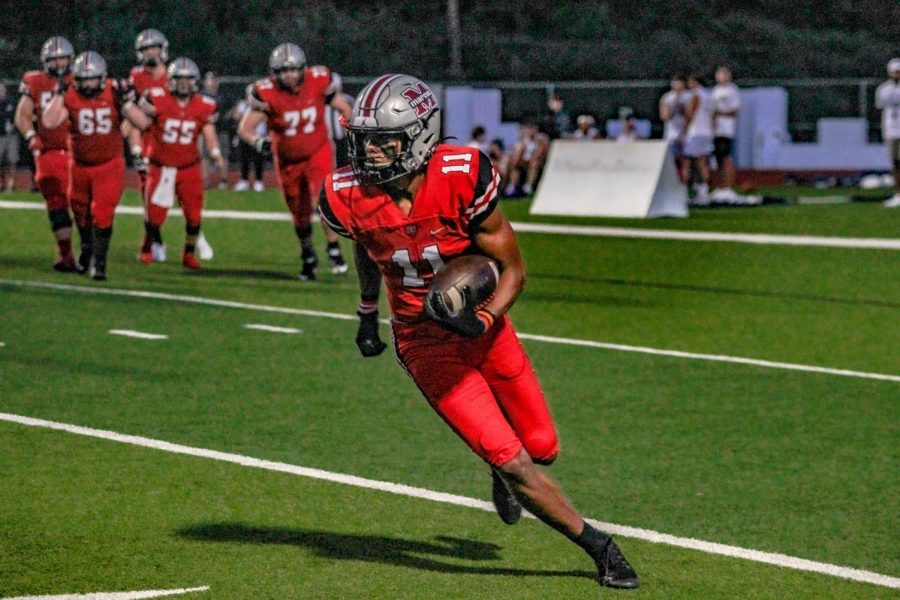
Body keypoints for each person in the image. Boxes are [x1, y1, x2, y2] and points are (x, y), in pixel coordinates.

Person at [319, 74, 639, 590]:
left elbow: (513, 269)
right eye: (365, 139)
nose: (369, 152)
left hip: (486, 327)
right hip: (424, 345)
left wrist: (482, 318)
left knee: (543, 445)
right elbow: (366, 242)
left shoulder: (462, 174)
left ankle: (501, 468)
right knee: (514, 462)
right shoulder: (346, 194)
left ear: (420, 137)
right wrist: (364, 310)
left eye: (383, 140)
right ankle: (600, 547)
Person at [238, 42, 353, 280]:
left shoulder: (318, 81)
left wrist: (356, 130)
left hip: (317, 152)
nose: (289, 75)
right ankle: (308, 253)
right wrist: (259, 141)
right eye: (282, 71)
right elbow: (245, 128)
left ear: (303, 68)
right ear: (274, 73)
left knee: (324, 199)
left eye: (293, 70)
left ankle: (333, 247)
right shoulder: (267, 93)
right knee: (299, 214)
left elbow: (342, 106)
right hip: (288, 161)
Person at [123, 57, 225, 271]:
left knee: (194, 214)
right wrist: (138, 148)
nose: (183, 84)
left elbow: (208, 132)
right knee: (155, 213)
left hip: (189, 167)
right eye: (179, 79)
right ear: (171, 80)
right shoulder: (157, 99)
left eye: (188, 80)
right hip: (161, 166)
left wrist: (215, 152)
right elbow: (140, 124)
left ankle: (188, 255)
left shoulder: (203, 105)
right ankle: (147, 247)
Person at [43, 51, 128, 281]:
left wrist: (132, 103)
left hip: (108, 163)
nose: (88, 84)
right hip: (79, 165)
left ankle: (99, 265)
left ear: (102, 77)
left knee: (102, 212)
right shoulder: (69, 94)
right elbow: (49, 122)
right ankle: (87, 249)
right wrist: (59, 93)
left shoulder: (114, 91)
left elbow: (139, 120)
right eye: (83, 79)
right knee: (80, 211)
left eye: (92, 78)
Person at [15, 36, 82, 272]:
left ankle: (89, 250)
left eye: (63, 58)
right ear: (45, 61)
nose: (59, 63)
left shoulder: (81, 80)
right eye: (54, 59)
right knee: (56, 201)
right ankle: (66, 254)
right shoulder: (35, 81)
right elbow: (22, 114)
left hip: (79, 152)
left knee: (83, 204)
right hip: (49, 151)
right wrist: (31, 136)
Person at [128, 29, 170, 262]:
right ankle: (151, 243)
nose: (150, 52)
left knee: (166, 197)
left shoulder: (175, 75)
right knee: (149, 196)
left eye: (153, 47)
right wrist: (135, 148)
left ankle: (190, 238)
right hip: (146, 140)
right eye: (145, 49)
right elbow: (131, 116)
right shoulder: (136, 77)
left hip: (172, 140)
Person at [710, 67, 742, 202]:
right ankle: (721, 187)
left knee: (727, 157)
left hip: (726, 129)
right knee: (718, 159)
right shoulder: (715, 90)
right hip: (716, 130)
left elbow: (735, 110)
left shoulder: (732, 90)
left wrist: (720, 113)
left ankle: (728, 187)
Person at [683, 74, 714, 206]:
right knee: (703, 162)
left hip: (696, 132)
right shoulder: (709, 95)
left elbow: (690, 112)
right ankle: (703, 191)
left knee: (691, 162)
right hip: (707, 131)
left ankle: (695, 191)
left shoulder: (696, 94)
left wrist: (684, 129)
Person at [230, 85, 267, 191]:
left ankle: (259, 181)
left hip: (259, 136)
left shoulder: (263, 106)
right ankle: (244, 181)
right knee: (244, 159)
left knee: (258, 160)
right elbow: (235, 116)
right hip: (245, 136)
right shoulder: (243, 105)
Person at [876, 58, 900, 208]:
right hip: (891, 131)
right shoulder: (884, 89)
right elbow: (880, 106)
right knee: (895, 164)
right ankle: (898, 194)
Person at [199, 71, 229, 190]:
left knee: (223, 154)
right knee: (204, 155)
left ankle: (223, 180)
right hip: (205, 130)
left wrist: (224, 117)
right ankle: (205, 180)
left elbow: (231, 110)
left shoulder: (224, 96)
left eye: (214, 79)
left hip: (221, 129)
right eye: (210, 79)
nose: (212, 82)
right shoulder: (200, 96)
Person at [504, 122, 549, 197]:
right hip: (526, 161)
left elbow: (540, 154)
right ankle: (512, 186)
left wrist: (531, 159)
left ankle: (528, 187)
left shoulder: (541, 139)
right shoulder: (525, 140)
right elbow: (520, 153)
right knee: (515, 165)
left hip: (537, 162)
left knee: (534, 163)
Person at [659, 74, 689, 184]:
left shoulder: (688, 96)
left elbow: (690, 116)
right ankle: (672, 184)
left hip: (686, 134)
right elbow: (664, 116)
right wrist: (675, 103)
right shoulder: (667, 97)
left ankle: (685, 186)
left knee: (685, 161)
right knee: (672, 162)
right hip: (671, 134)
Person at [324, 72, 354, 168]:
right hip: (328, 139)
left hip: (343, 138)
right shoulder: (320, 100)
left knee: (344, 163)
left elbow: (352, 115)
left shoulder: (347, 99)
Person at [0, 84, 19, 192]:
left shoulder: (11, 102)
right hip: (0, 135)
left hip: (11, 136)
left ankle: (10, 184)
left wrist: (13, 126)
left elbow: (18, 116)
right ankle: (1, 183)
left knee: (12, 160)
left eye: (1, 89)